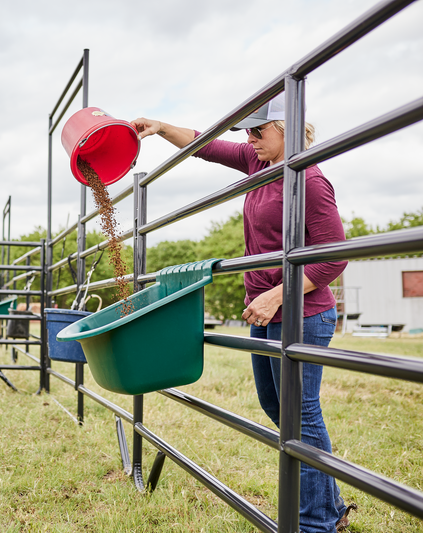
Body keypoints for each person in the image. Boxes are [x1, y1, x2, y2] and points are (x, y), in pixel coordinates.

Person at [131, 96, 355, 533]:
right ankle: (329, 507)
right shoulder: (258, 163)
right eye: (247, 132)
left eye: (258, 130)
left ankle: (315, 524)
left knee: (300, 414)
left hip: (303, 312)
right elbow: (206, 145)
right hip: (267, 310)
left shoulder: (309, 180)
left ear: (287, 128)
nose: (250, 139)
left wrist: (276, 296)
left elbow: (334, 256)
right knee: (275, 406)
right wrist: (160, 127)